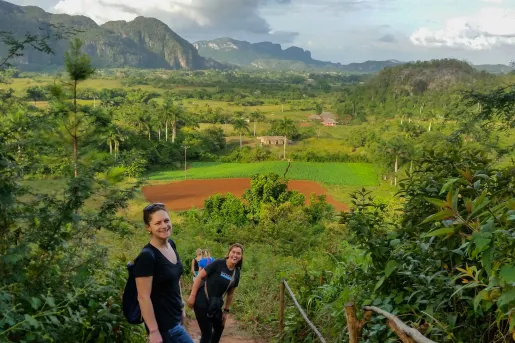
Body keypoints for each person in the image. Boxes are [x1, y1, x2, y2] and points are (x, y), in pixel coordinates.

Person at [134, 203, 194, 343]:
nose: (164, 226)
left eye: (166, 220)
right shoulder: (147, 257)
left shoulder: (171, 245)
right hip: (163, 326)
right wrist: (154, 331)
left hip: (175, 319)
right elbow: (143, 297)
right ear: (148, 227)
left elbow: (174, 280)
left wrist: (181, 305)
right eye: (158, 223)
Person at [187, 243, 244, 343]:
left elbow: (230, 293)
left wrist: (226, 311)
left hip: (216, 303)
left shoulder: (236, 272)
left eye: (238, 253)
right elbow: (199, 277)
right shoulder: (218, 263)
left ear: (241, 256)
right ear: (229, 253)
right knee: (207, 333)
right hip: (202, 299)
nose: (235, 255)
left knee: (219, 326)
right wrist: (192, 296)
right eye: (233, 252)